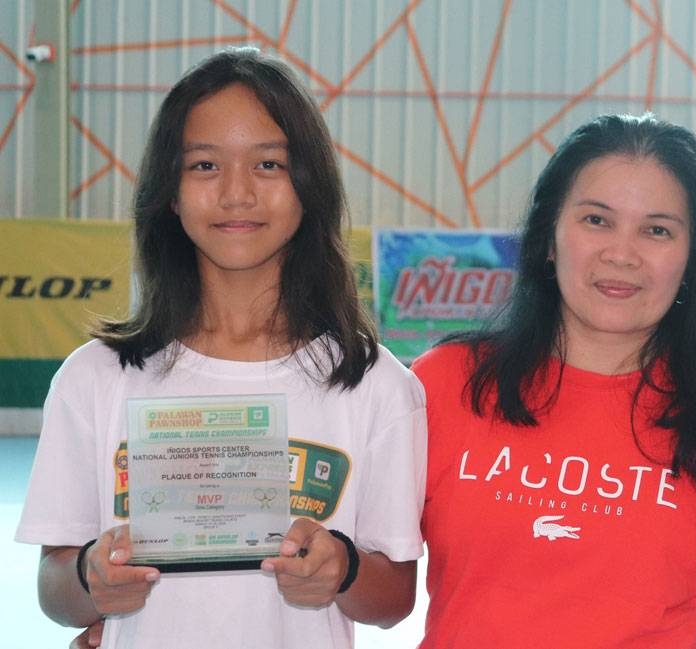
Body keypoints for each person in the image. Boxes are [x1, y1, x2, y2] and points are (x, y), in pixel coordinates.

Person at [16, 48, 426, 649]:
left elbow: (394, 601)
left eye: (269, 164)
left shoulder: (375, 386)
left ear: (309, 185)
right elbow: (56, 590)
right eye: (204, 165)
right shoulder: (95, 379)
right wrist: (91, 577)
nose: (237, 194)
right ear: (171, 192)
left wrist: (344, 569)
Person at [410, 113, 696, 648]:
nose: (622, 253)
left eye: (657, 230)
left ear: (692, 260)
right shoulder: (446, 384)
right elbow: (375, 581)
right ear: (549, 238)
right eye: (597, 220)